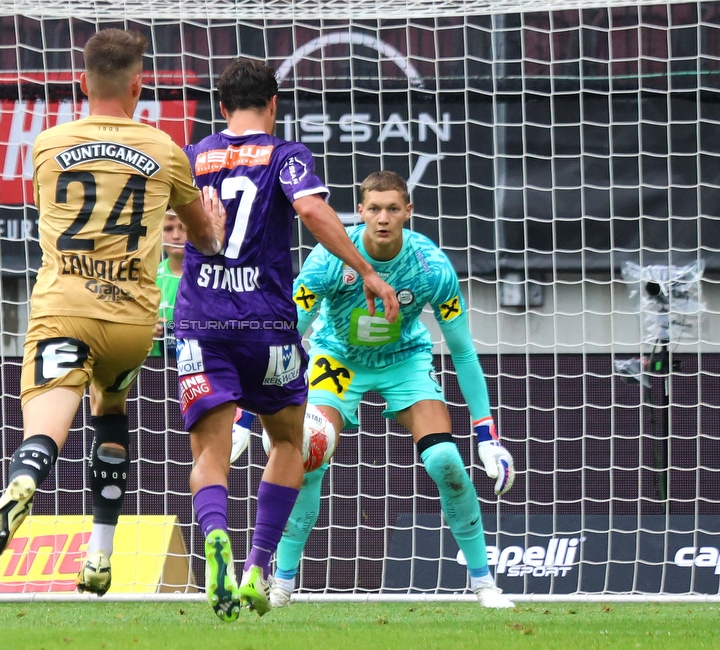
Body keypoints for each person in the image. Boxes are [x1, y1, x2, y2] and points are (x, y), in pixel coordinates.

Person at [0, 28, 225, 598]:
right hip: (133, 323)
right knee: (110, 408)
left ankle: (24, 479)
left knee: (47, 423)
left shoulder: (47, 144)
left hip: (65, 309)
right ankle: (99, 555)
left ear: (83, 82)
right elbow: (204, 241)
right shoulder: (165, 148)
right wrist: (214, 228)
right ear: (140, 85)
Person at [175, 58, 399, 621]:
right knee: (288, 444)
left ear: (222, 108)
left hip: (201, 319)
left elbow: (172, 222)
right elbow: (309, 208)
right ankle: (257, 566)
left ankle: (215, 537)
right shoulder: (285, 154)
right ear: (273, 104)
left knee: (210, 451)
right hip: (266, 324)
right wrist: (367, 271)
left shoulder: (194, 155)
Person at [268, 170, 517, 609]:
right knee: (310, 453)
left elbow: (462, 352)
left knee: (445, 460)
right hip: (338, 359)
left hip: (404, 361)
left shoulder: (432, 267)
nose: (383, 218)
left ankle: (484, 583)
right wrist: (248, 411)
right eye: (374, 209)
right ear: (360, 212)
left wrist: (487, 434)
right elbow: (287, 336)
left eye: (393, 209)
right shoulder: (329, 258)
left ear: (408, 212)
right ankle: (283, 583)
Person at [149, 210, 186, 360]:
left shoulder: (211, 276)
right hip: (159, 370)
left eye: (183, 228)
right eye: (168, 229)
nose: (176, 236)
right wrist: (145, 330)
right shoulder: (149, 277)